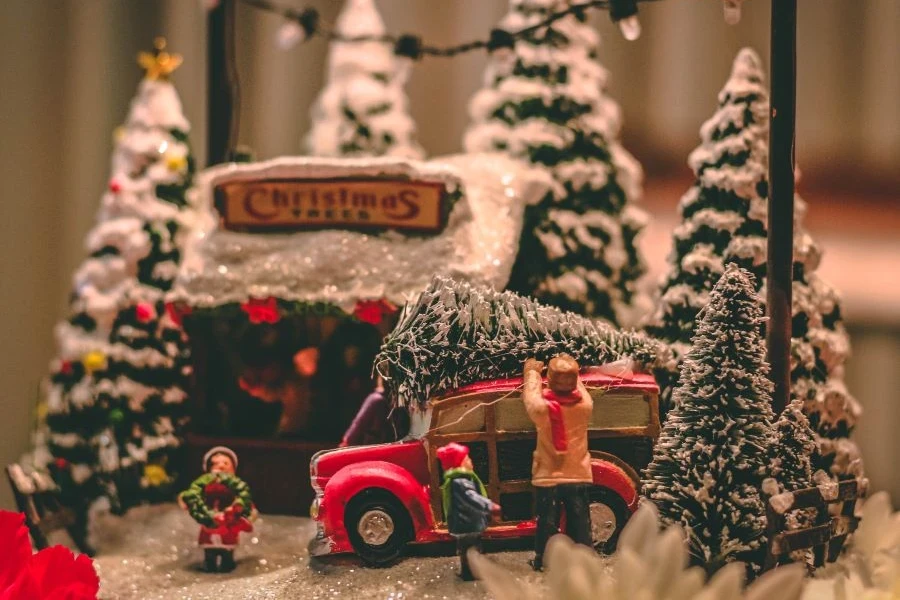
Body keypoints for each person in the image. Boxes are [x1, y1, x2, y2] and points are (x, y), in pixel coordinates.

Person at [521, 355, 593, 571]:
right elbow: (580, 387)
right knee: (580, 518)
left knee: (547, 521)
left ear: (550, 381)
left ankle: (544, 560)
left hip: (548, 474)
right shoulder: (585, 406)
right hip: (578, 472)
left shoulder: (541, 408)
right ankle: (585, 558)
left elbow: (530, 395)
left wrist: (532, 372)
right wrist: (574, 372)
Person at [178, 446, 256, 573]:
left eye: (225, 463)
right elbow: (190, 499)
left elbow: (248, 506)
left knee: (227, 554)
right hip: (209, 526)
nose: (221, 466)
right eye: (215, 463)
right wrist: (188, 501)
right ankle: (210, 564)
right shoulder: (204, 487)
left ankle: (227, 565)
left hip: (229, 525)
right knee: (210, 552)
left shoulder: (236, 489)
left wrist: (240, 511)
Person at [437, 442, 499, 581]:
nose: (471, 461)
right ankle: (471, 573)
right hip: (468, 523)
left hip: (463, 523)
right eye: (467, 459)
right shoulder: (461, 482)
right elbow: (472, 498)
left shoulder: (457, 480)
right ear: (460, 463)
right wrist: (489, 506)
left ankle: (467, 571)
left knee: (466, 549)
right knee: (472, 549)